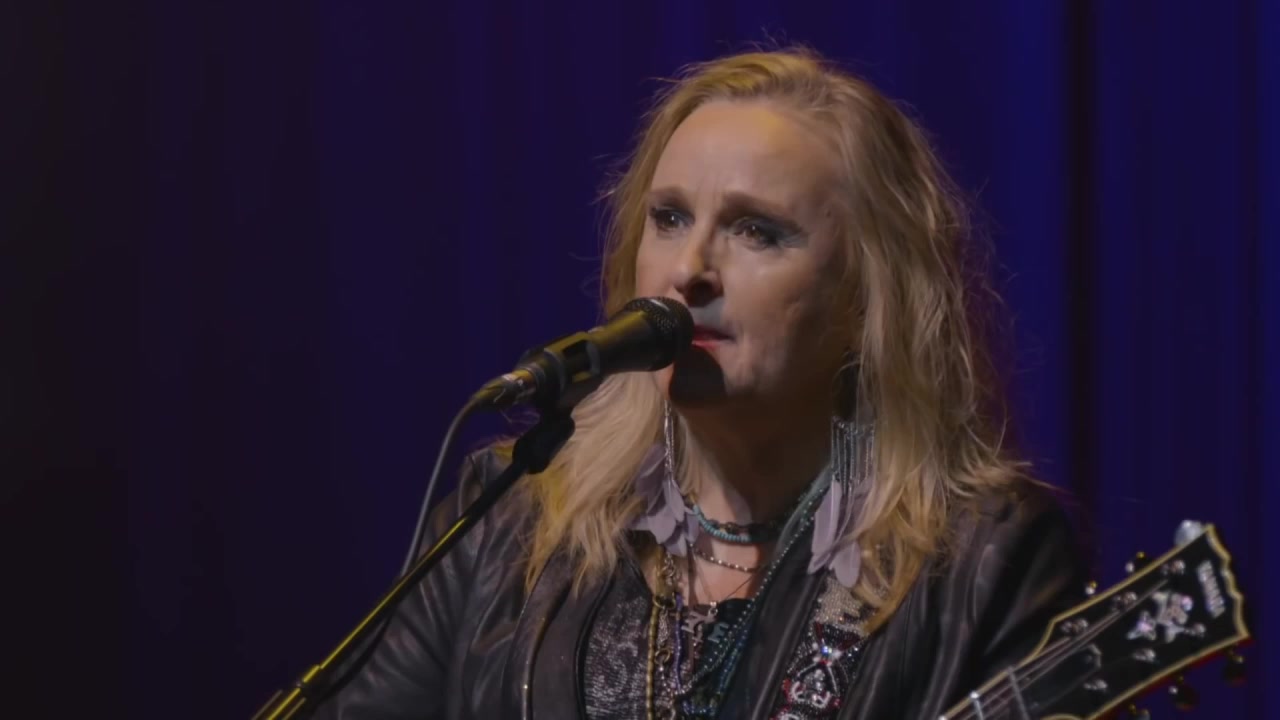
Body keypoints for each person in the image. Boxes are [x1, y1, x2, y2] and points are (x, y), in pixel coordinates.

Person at [312, 47, 1084, 719]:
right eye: (670, 218)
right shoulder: (506, 524)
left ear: (864, 298)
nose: (688, 270)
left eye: (757, 231)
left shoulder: (982, 562)